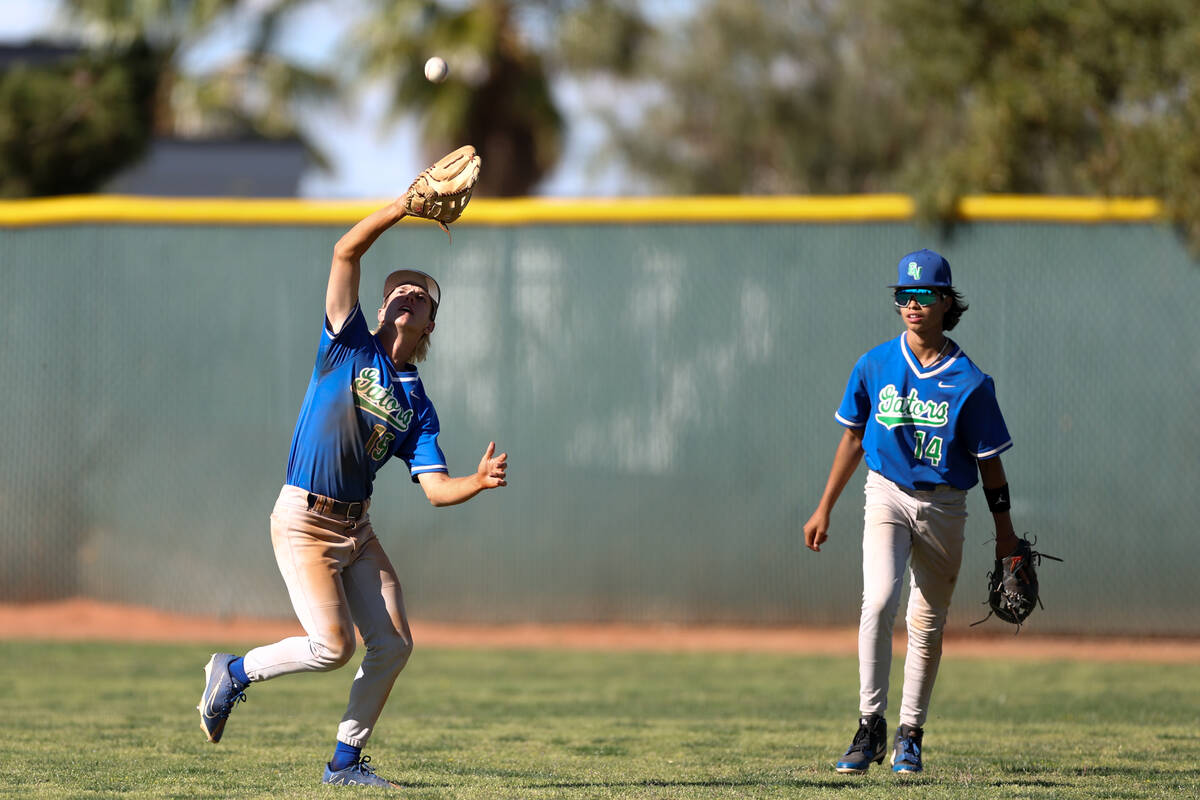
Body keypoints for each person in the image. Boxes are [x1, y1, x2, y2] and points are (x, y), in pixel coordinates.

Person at [197, 195, 508, 789]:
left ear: (430, 324)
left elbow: (436, 489)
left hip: (357, 529)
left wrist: (476, 480)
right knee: (333, 646)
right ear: (381, 302)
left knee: (392, 644)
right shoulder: (347, 340)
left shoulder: (418, 404)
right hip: (304, 519)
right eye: (399, 288)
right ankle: (232, 672)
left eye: (422, 294)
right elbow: (346, 249)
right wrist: (403, 208)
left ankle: (345, 763)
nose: (410, 294)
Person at [802, 248, 1017, 775]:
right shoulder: (874, 363)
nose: (913, 304)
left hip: (945, 505)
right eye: (905, 295)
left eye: (924, 295)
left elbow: (991, 467)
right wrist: (824, 506)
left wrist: (1007, 536)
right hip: (887, 494)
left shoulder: (971, 382)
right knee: (877, 602)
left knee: (926, 622)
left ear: (946, 302)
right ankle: (869, 725)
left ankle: (910, 735)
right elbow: (853, 436)